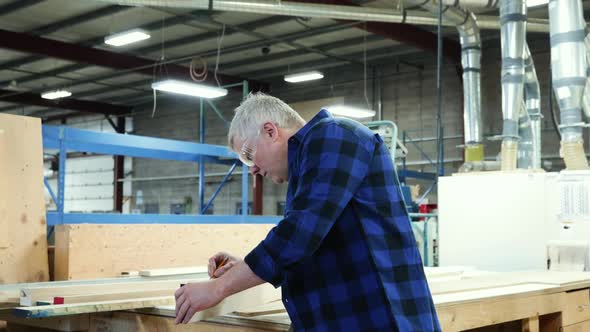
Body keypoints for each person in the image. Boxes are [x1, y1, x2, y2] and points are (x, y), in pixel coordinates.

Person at [175, 93, 440, 331]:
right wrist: (241, 268)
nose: (252, 169)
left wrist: (218, 288)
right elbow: (309, 248)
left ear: (270, 131)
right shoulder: (308, 168)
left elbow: (299, 235)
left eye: (248, 154)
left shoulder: (334, 137)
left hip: (379, 319)